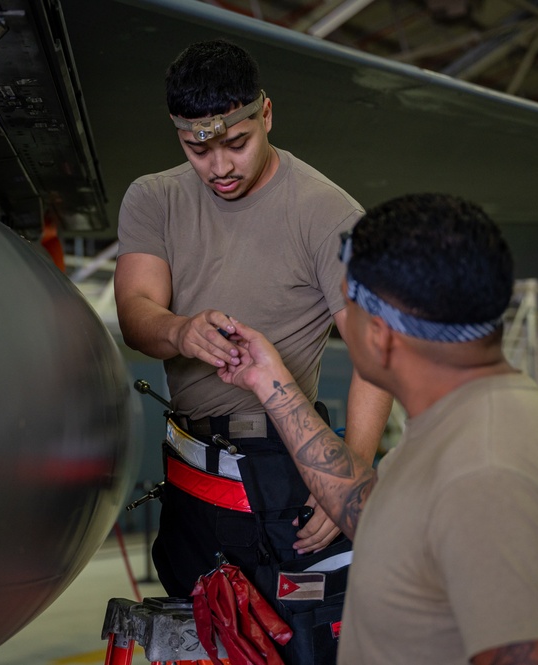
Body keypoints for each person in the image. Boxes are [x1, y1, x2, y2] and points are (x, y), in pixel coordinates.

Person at [217, 193, 538, 665]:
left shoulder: (485, 471)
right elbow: (379, 517)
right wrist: (273, 387)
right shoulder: (471, 417)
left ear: (380, 334)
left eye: (347, 306)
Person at [113, 38, 394, 658]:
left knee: (301, 644)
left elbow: (378, 352)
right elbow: (136, 313)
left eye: (235, 143)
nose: (219, 168)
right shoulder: (154, 198)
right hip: (190, 478)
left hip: (283, 475)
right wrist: (181, 332)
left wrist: (350, 468)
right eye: (197, 149)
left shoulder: (326, 213)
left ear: (266, 114)